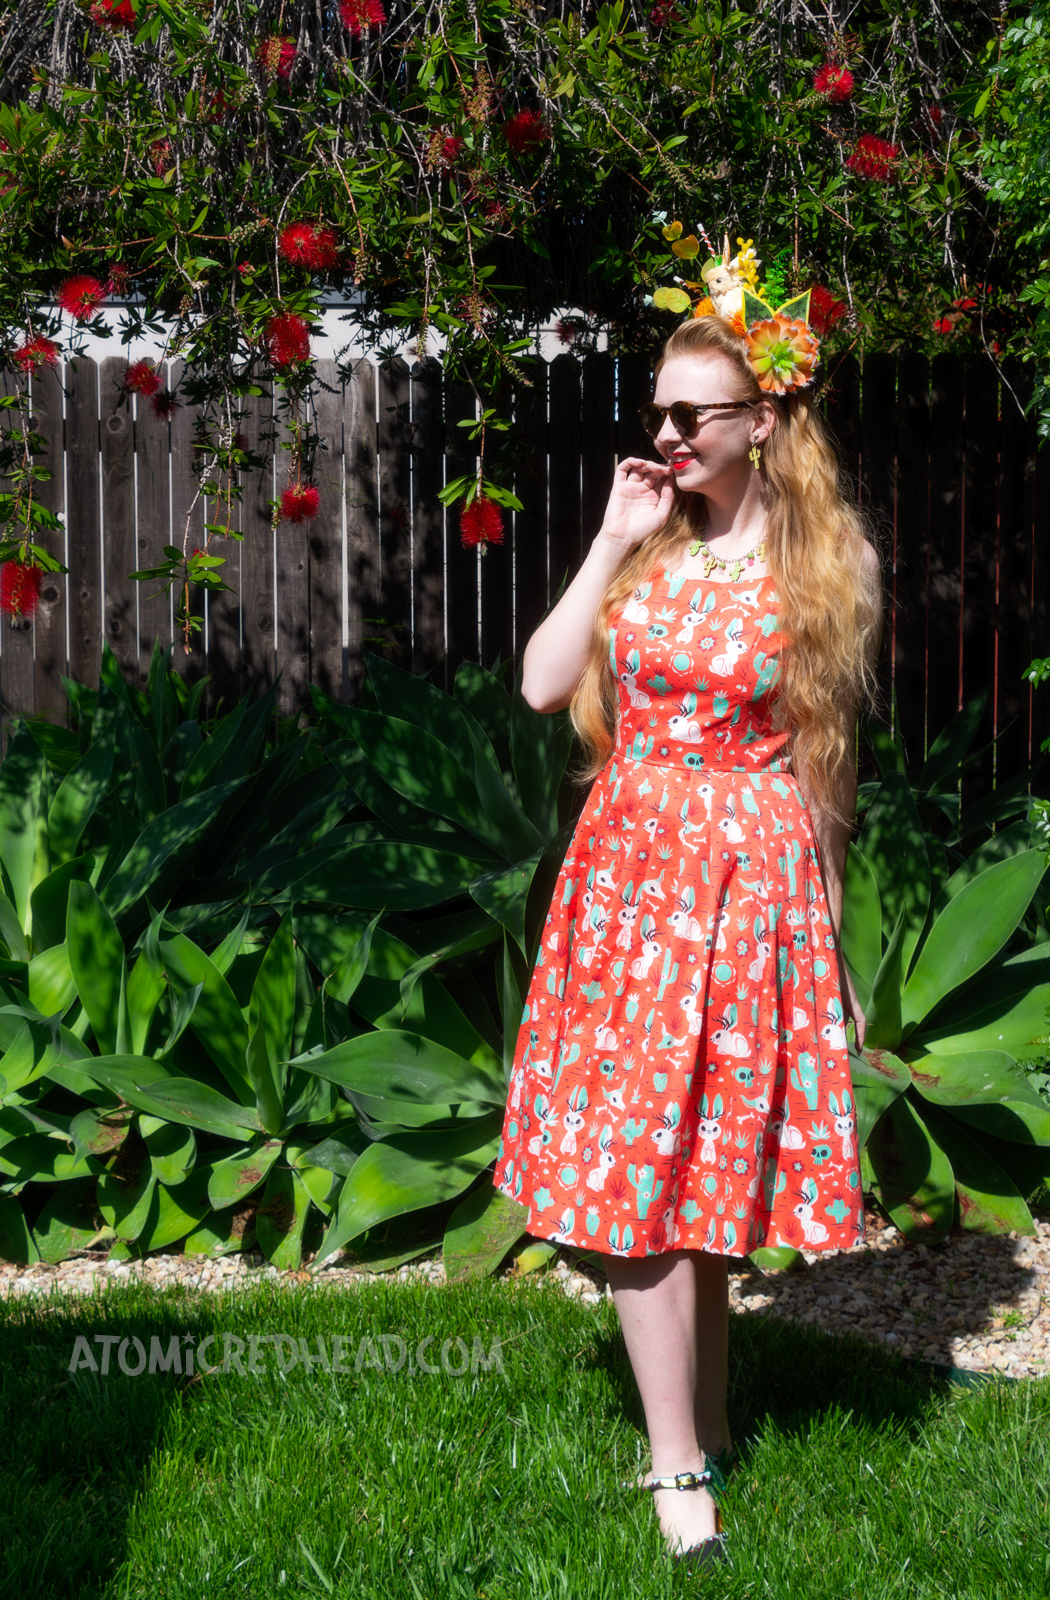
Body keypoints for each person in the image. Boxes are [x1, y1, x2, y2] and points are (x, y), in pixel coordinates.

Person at [492, 285, 883, 1568]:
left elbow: (820, 776)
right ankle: (676, 1466)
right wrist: (609, 537)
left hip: (749, 890)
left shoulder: (823, 568)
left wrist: (824, 950)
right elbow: (547, 684)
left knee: (698, 1174)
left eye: (686, 413)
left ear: (761, 420)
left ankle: (701, 1430)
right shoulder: (646, 541)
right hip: (627, 886)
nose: (660, 431)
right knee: (632, 1180)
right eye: (652, 408)